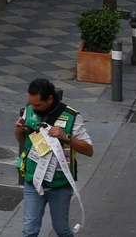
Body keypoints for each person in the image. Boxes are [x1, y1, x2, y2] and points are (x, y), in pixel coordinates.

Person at [15, 77, 92, 237]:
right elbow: (23, 140)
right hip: (33, 181)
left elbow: (88, 150)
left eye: (38, 105)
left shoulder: (72, 116)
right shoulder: (29, 110)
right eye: (31, 103)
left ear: (49, 99)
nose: (33, 108)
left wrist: (66, 136)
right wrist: (19, 130)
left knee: (61, 230)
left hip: (60, 184)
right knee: (29, 231)